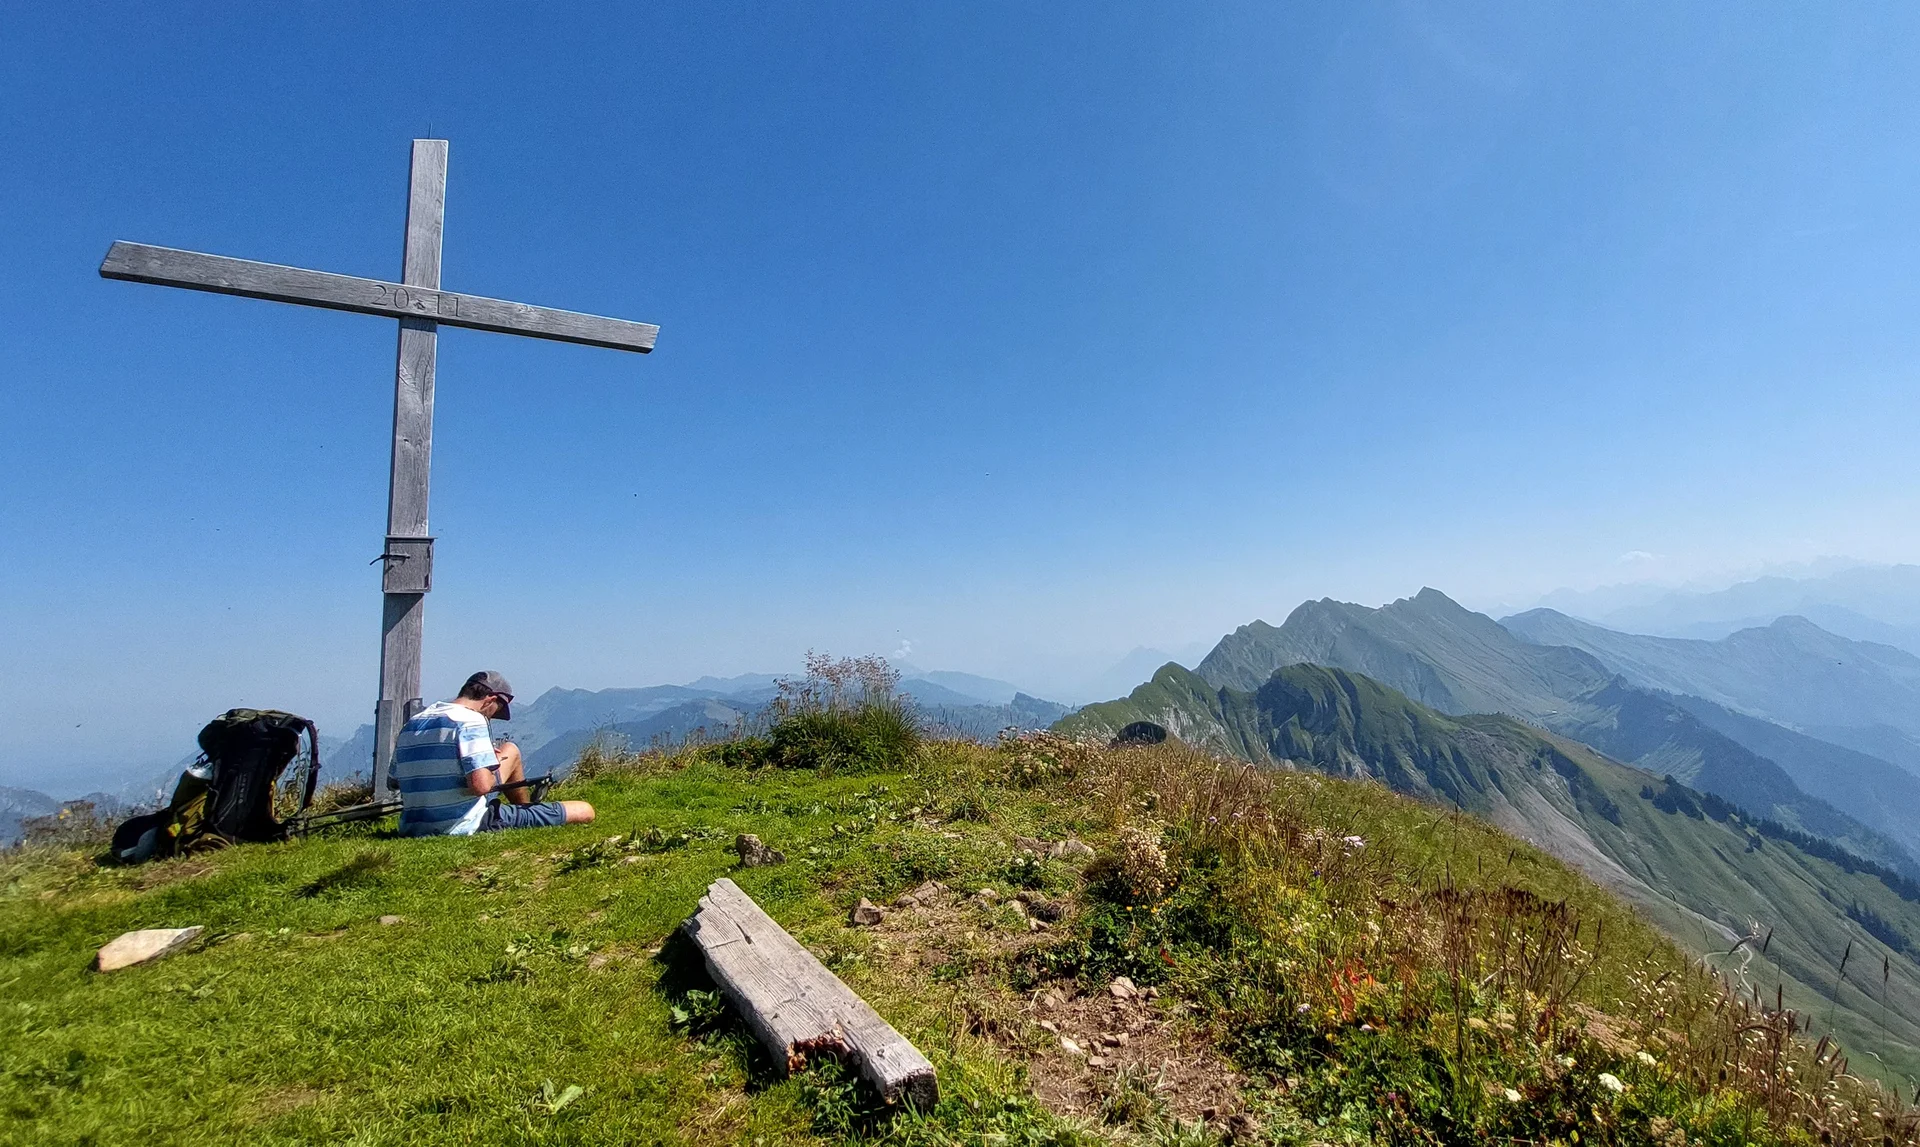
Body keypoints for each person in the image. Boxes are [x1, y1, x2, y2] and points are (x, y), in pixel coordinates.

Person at [392, 671, 594, 836]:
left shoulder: (415, 722)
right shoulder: (471, 720)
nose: (491, 719)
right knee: (584, 810)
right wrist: (489, 763)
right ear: (490, 700)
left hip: (413, 826)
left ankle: (525, 809)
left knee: (510, 750)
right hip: (461, 824)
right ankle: (525, 813)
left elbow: (393, 781)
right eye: (495, 712)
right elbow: (481, 786)